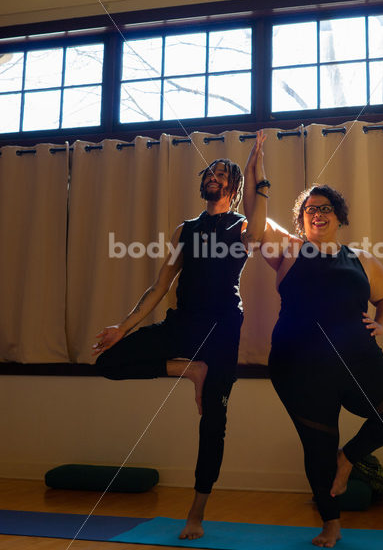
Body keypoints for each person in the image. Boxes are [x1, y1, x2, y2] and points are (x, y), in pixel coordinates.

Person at [93, 131, 267, 541]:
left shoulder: (243, 226)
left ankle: (196, 513)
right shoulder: (185, 230)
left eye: (222, 173)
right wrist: (123, 326)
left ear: (235, 188)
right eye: (209, 171)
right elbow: (159, 287)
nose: (212, 175)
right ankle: (190, 372)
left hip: (223, 328)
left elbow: (259, 225)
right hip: (182, 322)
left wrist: (260, 172)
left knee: (213, 422)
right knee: (109, 362)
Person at [243, 178, 383, 548]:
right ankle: (331, 525)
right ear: (301, 220)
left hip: (358, 359)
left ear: (339, 216)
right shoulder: (289, 250)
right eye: (310, 209)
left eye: (325, 208)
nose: (318, 214)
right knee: (317, 446)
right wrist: (256, 177)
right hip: (299, 366)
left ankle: (349, 458)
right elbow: (255, 225)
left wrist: (382, 324)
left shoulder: (360, 259)